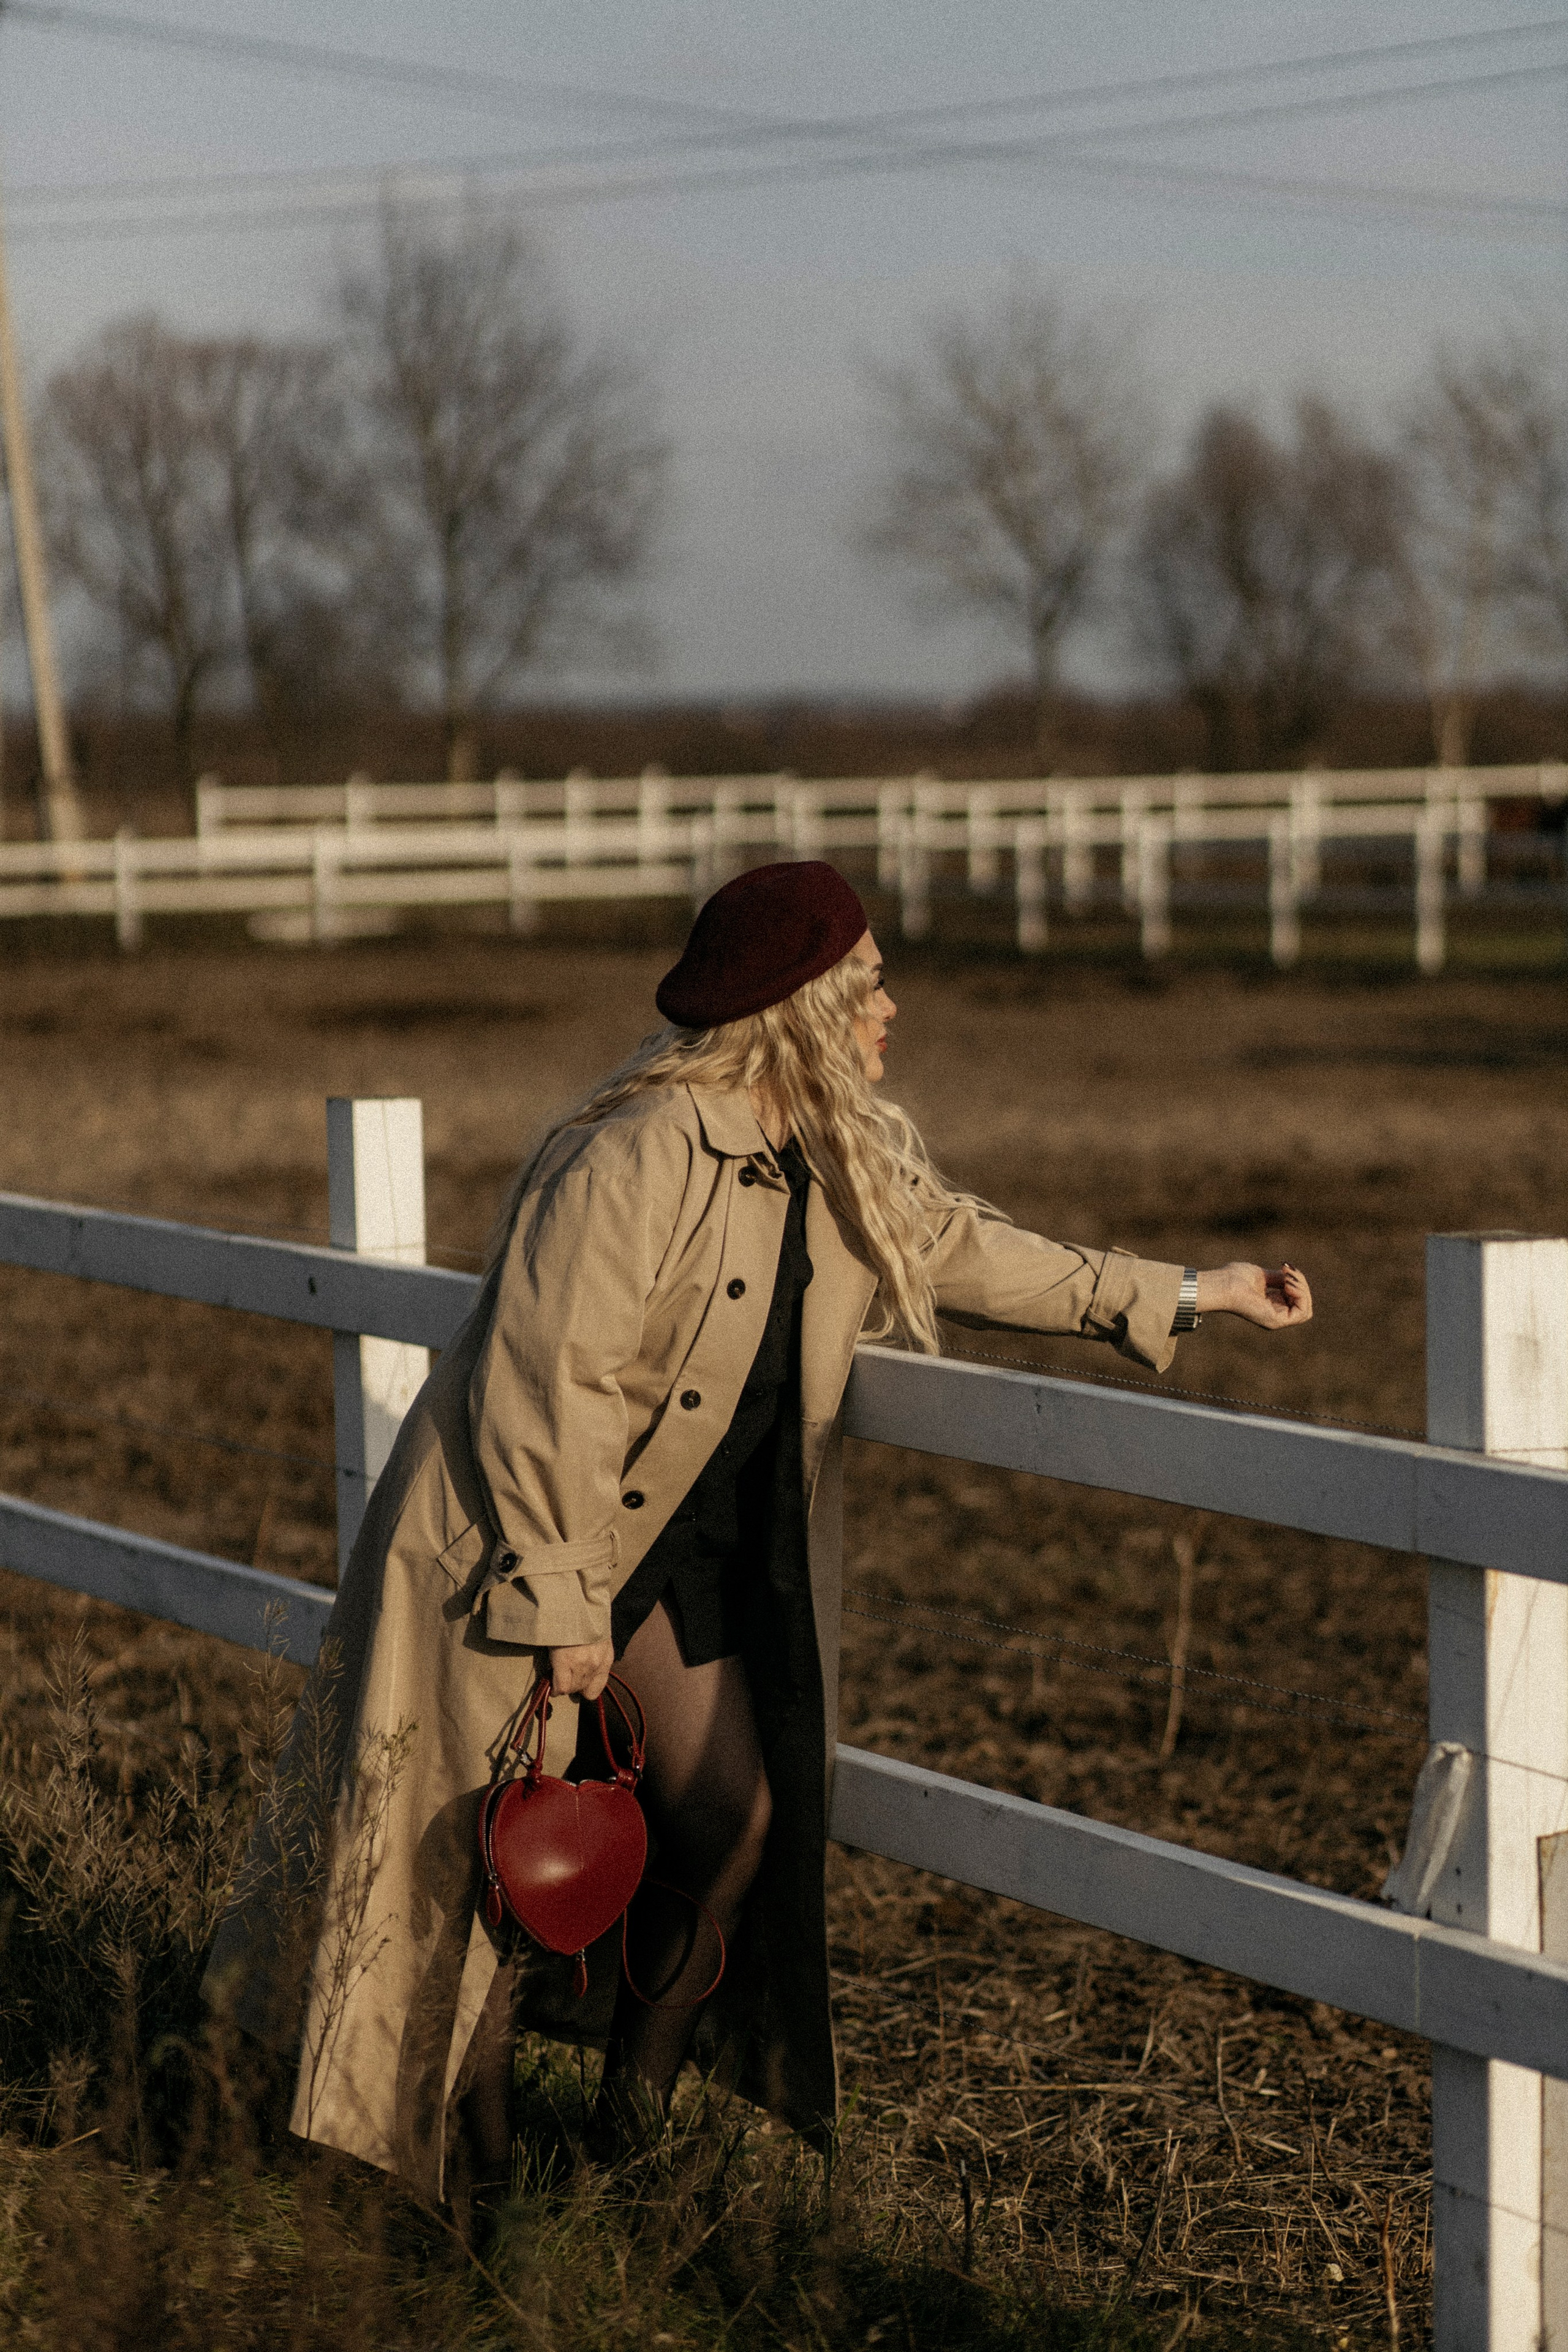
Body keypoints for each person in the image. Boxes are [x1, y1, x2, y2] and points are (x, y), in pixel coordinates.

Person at [204, 861, 1311, 2215]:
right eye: (870, 981)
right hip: (516, 1553)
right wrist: (559, 1613)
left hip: (664, 1560)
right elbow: (544, 1390)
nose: (890, 1007)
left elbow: (962, 1248)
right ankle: (472, 2194)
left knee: (734, 1814)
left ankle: (628, 2120)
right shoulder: (631, 1151)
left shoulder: (823, 1153)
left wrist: (1196, 1293)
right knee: (483, 1871)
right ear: (804, 1002)